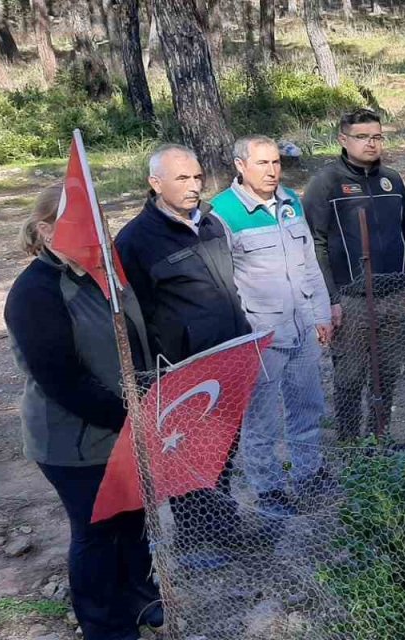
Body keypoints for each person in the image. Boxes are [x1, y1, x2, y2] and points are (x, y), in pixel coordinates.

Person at [5, 185, 163, 640]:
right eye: (80, 225)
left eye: (98, 225)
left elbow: (135, 340)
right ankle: (103, 623)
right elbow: (62, 380)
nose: (95, 236)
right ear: (45, 230)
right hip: (73, 440)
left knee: (133, 517)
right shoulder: (34, 292)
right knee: (97, 530)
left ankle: (139, 595)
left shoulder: (106, 273)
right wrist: (128, 416)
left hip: (125, 426)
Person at [115, 144, 253, 567]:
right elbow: (133, 316)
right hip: (182, 368)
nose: (194, 187)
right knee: (187, 455)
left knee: (224, 447)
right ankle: (193, 543)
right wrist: (147, 377)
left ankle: (223, 525)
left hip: (230, 354)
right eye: (182, 179)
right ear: (155, 183)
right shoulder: (136, 240)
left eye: (197, 177)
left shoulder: (210, 222)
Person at [208, 135, 333, 517]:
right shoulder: (221, 212)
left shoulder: (290, 202)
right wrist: (238, 336)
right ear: (240, 166)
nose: (272, 171)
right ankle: (269, 490)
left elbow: (309, 264)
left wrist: (322, 314)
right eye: (262, 163)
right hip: (259, 337)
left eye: (276, 162)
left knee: (307, 406)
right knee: (260, 418)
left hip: (302, 328)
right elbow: (221, 281)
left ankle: (309, 473)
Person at [303, 109, 405, 443]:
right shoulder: (326, 183)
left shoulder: (392, 180)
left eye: (377, 136)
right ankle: (351, 444)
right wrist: (331, 299)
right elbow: (314, 243)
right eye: (362, 137)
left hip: (392, 297)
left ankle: (379, 437)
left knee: (388, 373)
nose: (371, 144)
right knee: (350, 377)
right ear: (343, 139)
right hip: (349, 302)